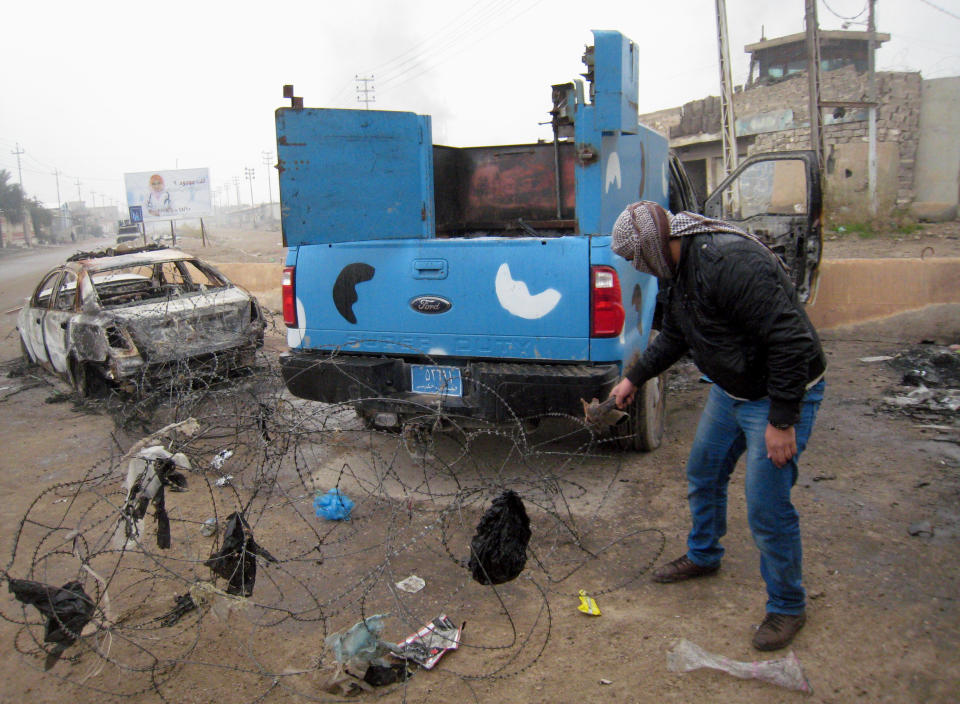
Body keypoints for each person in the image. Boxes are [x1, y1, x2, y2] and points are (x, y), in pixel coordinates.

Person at [609, 201, 826, 651]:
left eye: (635, 257)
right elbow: (676, 335)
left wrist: (782, 420)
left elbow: (791, 340)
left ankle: (787, 605)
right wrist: (634, 378)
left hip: (777, 394)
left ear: (651, 246)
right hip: (731, 391)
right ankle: (704, 555)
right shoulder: (677, 270)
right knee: (703, 474)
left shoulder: (729, 262)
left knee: (766, 507)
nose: (634, 265)